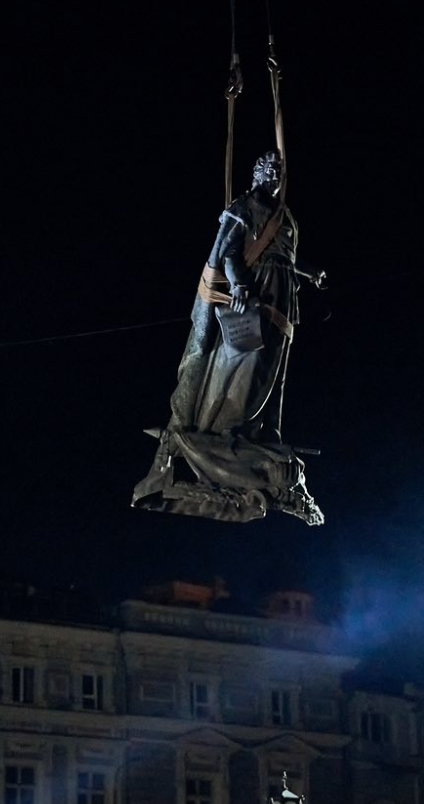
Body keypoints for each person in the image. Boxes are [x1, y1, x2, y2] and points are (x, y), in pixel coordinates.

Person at [133, 148, 323, 525]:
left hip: (284, 301)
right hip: (258, 295)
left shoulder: (287, 218)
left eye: (279, 171)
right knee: (245, 370)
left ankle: (255, 433)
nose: (274, 175)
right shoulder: (247, 204)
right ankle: (222, 430)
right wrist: (238, 282)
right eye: (269, 169)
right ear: (256, 173)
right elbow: (229, 247)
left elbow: (285, 254)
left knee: (271, 378)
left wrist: (309, 273)